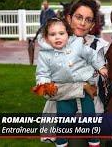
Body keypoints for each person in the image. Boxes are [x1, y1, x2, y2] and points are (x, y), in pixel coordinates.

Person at [35, 17, 107, 147]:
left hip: (85, 92)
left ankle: (94, 141)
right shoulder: (45, 55)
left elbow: (91, 56)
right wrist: (44, 84)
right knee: (63, 121)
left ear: (68, 34)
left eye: (61, 33)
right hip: (64, 93)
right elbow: (42, 72)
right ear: (46, 38)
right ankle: (62, 142)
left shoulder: (77, 45)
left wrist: (100, 66)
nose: (57, 37)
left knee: (90, 119)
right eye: (52, 34)